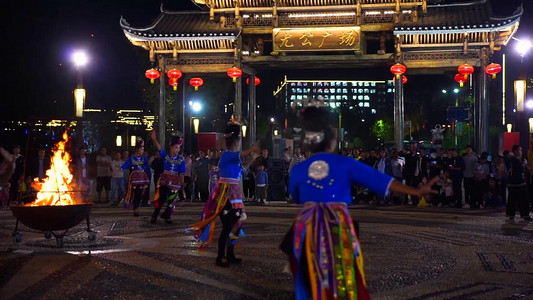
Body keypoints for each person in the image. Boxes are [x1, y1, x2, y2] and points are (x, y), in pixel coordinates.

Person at [280, 106, 437, 300]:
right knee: (343, 273)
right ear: (331, 142)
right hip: (336, 225)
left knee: (307, 274)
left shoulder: (299, 169)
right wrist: (417, 191)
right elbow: (382, 180)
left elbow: (296, 195)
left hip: (306, 228)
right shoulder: (346, 163)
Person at [188, 123, 260, 268]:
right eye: (238, 142)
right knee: (228, 226)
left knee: (236, 224)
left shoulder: (234, 158)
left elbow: (243, 170)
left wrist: (253, 157)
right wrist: (251, 149)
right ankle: (220, 256)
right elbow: (239, 155)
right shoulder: (227, 155)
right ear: (234, 143)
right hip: (225, 194)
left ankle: (230, 254)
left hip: (235, 195)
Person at [149, 132, 186, 224]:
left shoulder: (181, 159)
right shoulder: (165, 156)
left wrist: (182, 183)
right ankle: (154, 216)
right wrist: (154, 139)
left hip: (175, 183)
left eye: (179, 148)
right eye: (176, 147)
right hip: (165, 181)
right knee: (162, 199)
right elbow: (160, 148)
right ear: (171, 148)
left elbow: (182, 172)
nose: (178, 149)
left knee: (172, 200)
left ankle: (167, 215)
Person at [121, 142, 150, 217]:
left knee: (140, 193)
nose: (142, 151)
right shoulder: (131, 158)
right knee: (134, 192)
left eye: (143, 150)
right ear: (137, 150)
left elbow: (147, 165)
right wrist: (122, 168)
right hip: (134, 177)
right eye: (141, 149)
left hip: (142, 177)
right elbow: (125, 165)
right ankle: (134, 207)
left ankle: (136, 207)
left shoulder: (144, 158)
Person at [505, 145, 531, 221]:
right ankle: (511, 215)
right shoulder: (511, 160)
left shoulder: (522, 160)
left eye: (521, 150)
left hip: (521, 182)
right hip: (513, 182)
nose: (521, 152)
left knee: (523, 199)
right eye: (519, 150)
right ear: (515, 151)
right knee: (512, 200)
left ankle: (525, 215)